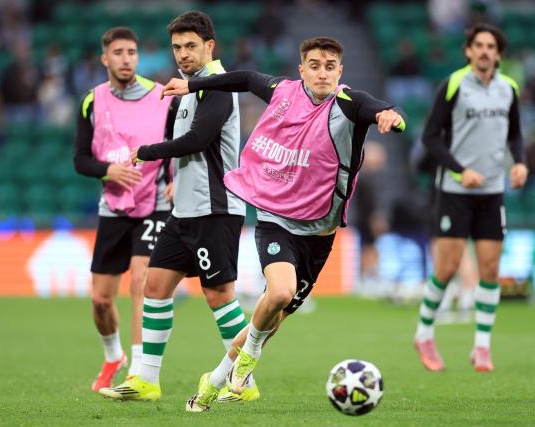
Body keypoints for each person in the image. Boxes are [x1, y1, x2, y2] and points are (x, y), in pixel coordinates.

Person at [161, 35, 407, 412]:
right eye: (314, 65)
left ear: (340, 71)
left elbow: (376, 107)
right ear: (301, 69)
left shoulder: (348, 103)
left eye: (329, 66)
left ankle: (213, 381)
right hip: (275, 216)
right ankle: (247, 362)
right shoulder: (283, 91)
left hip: (319, 231)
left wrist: (388, 114)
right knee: (277, 294)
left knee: (274, 316)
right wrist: (193, 84)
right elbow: (242, 78)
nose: (322, 73)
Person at [99, 11, 257, 403]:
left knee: (219, 295)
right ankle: (147, 379)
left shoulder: (217, 88)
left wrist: (147, 153)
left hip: (215, 210)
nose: (183, 54)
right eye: (177, 47)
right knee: (154, 286)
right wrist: (171, 180)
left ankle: (245, 384)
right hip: (184, 210)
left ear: (209, 46)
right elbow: (182, 143)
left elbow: (199, 139)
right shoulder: (187, 88)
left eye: (190, 46)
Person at [414, 23, 528, 373]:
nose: (484, 51)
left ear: (498, 54)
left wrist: (520, 162)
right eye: (478, 45)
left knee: (490, 270)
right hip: (455, 190)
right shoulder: (452, 85)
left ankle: (481, 347)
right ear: (468, 51)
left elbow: (515, 135)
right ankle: (424, 334)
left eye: (490, 46)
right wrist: (460, 170)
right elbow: (430, 138)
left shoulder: (508, 89)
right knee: (446, 269)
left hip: (492, 191)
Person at [73, 27, 178, 392]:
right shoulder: (91, 101)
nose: (126, 59)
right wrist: (108, 170)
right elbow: (80, 160)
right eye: (118, 52)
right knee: (101, 299)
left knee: (140, 282)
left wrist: (175, 176)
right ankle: (113, 355)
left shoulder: (162, 96)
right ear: (105, 58)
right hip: (114, 207)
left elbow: (182, 142)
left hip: (154, 204)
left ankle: (138, 371)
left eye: (131, 52)